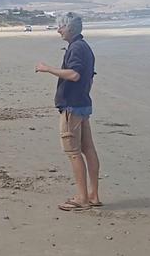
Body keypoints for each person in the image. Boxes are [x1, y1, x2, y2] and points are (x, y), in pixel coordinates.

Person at [35, 12, 101, 211]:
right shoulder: (83, 47)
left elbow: (74, 74)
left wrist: (47, 69)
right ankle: (93, 196)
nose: (58, 30)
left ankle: (82, 198)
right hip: (82, 104)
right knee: (88, 149)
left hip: (72, 107)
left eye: (60, 27)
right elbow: (89, 78)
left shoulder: (77, 48)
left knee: (74, 152)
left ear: (70, 28)